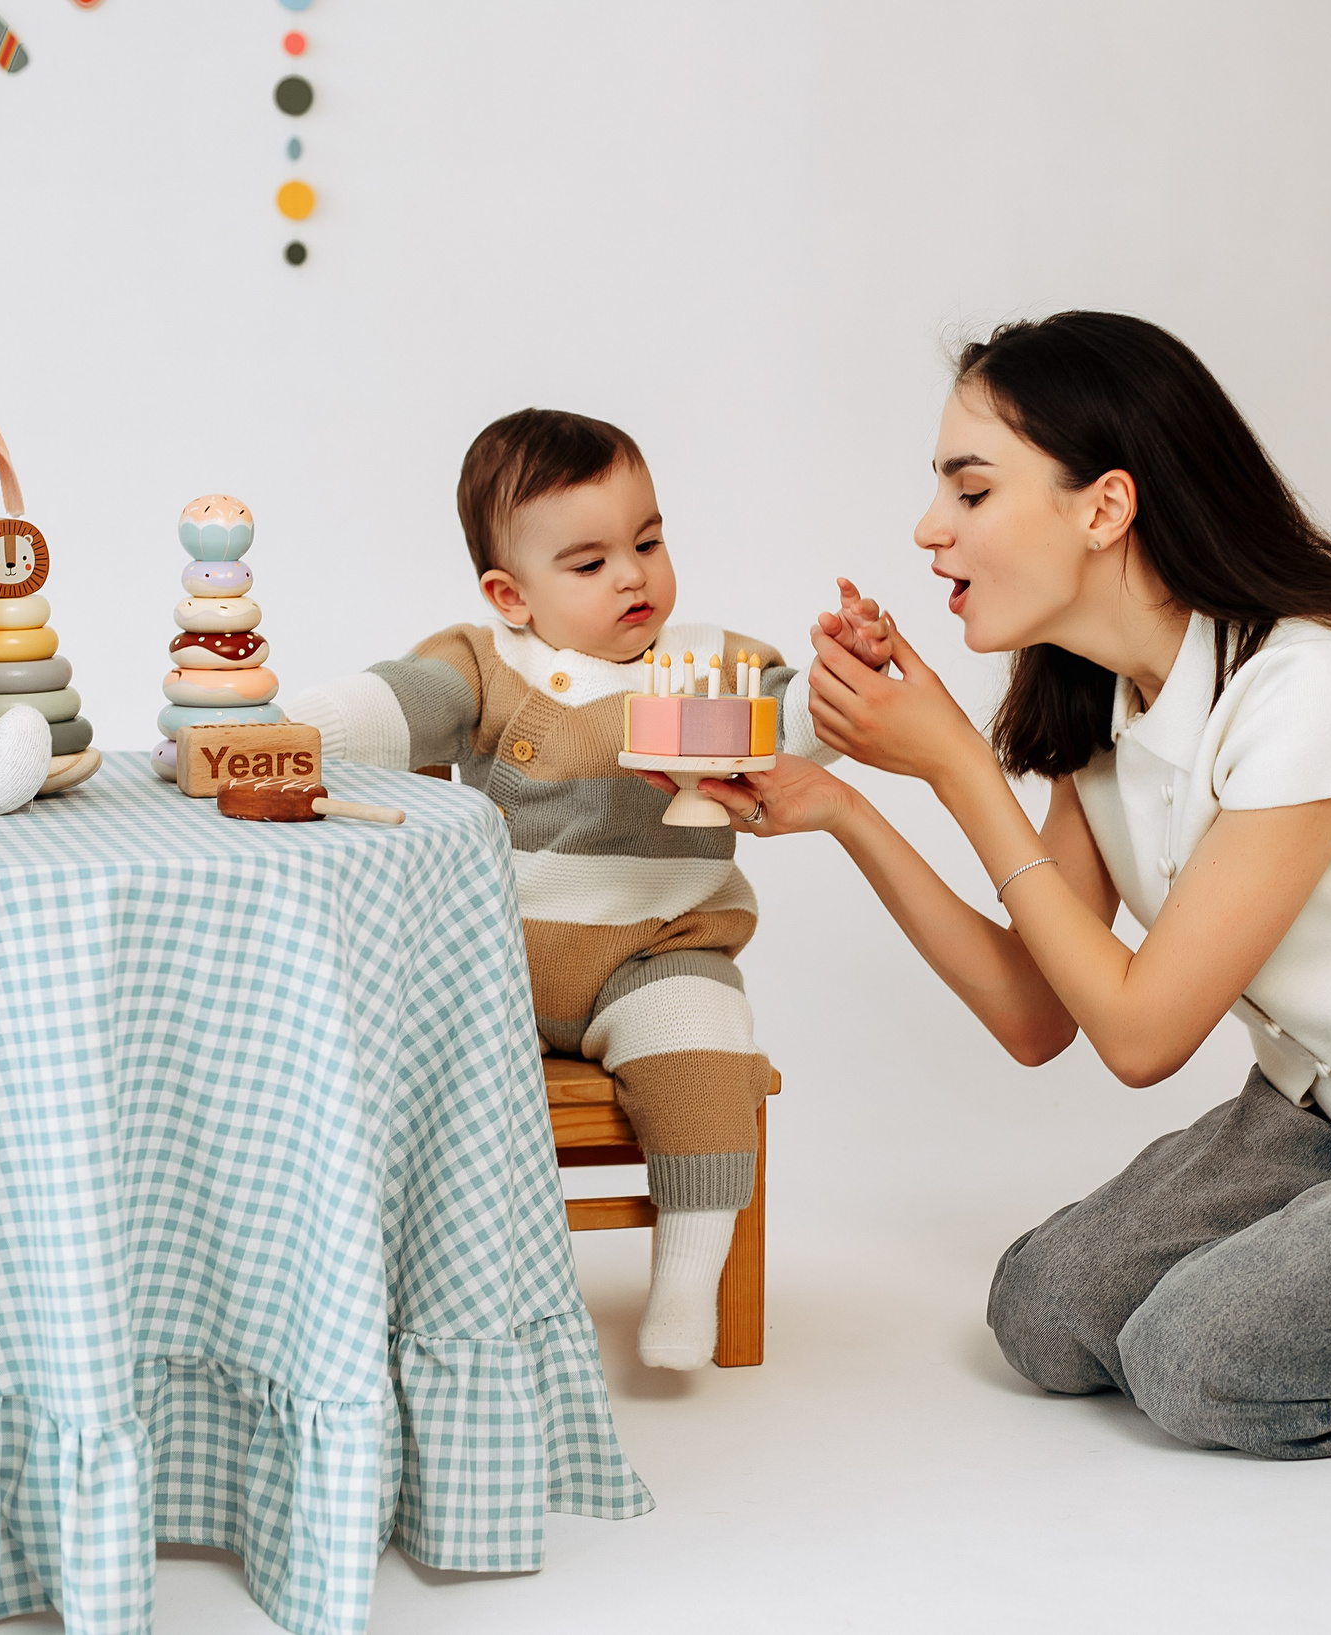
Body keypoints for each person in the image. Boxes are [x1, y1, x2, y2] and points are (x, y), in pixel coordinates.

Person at [701, 312, 1331, 1457]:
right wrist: (842, 809)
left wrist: (957, 769)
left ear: (1105, 507)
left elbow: (1142, 1035)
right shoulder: (1096, 703)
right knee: (1043, 1313)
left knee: (1196, 1363)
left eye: (971, 490)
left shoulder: (1312, 680)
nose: (928, 528)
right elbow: (1036, 1013)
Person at [285, 407, 889, 1369]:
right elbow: (391, 705)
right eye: (589, 561)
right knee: (397, 1070)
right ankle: (425, 1286)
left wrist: (841, 673)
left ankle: (687, 1275)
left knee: (704, 1053)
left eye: (647, 542)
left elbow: (790, 724)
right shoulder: (487, 662)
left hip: (656, 950)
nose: (632, 576)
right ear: (510, 593)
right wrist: (275, 726)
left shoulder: (712, 663)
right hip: (495, 966)